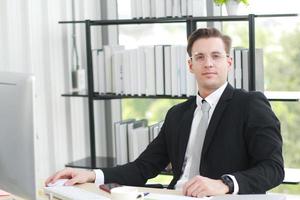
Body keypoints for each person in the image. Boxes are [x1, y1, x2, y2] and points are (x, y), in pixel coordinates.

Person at [46, 27, 284, 197]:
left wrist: (224, 185)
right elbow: (143, 168)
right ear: (190, 65)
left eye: (216, 56)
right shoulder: (177, 114)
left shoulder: (250, 104)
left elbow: (273, 169)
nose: (208, 63)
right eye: (199, 57)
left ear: (229, 62)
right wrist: (91, 175)